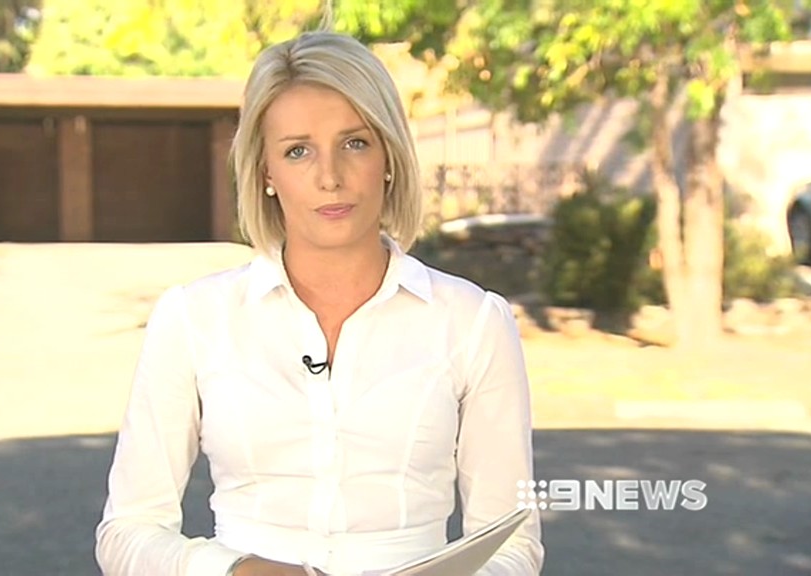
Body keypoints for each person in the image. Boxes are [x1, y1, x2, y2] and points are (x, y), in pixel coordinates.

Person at [94, 29, 544, 576]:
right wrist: (236, 571)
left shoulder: (473, 322)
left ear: (389, 156)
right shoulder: (194, 319)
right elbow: (126, 533)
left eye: (354, 143)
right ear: (266, 172)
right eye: (297, 151)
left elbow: (512, 545)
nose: (329, 177)